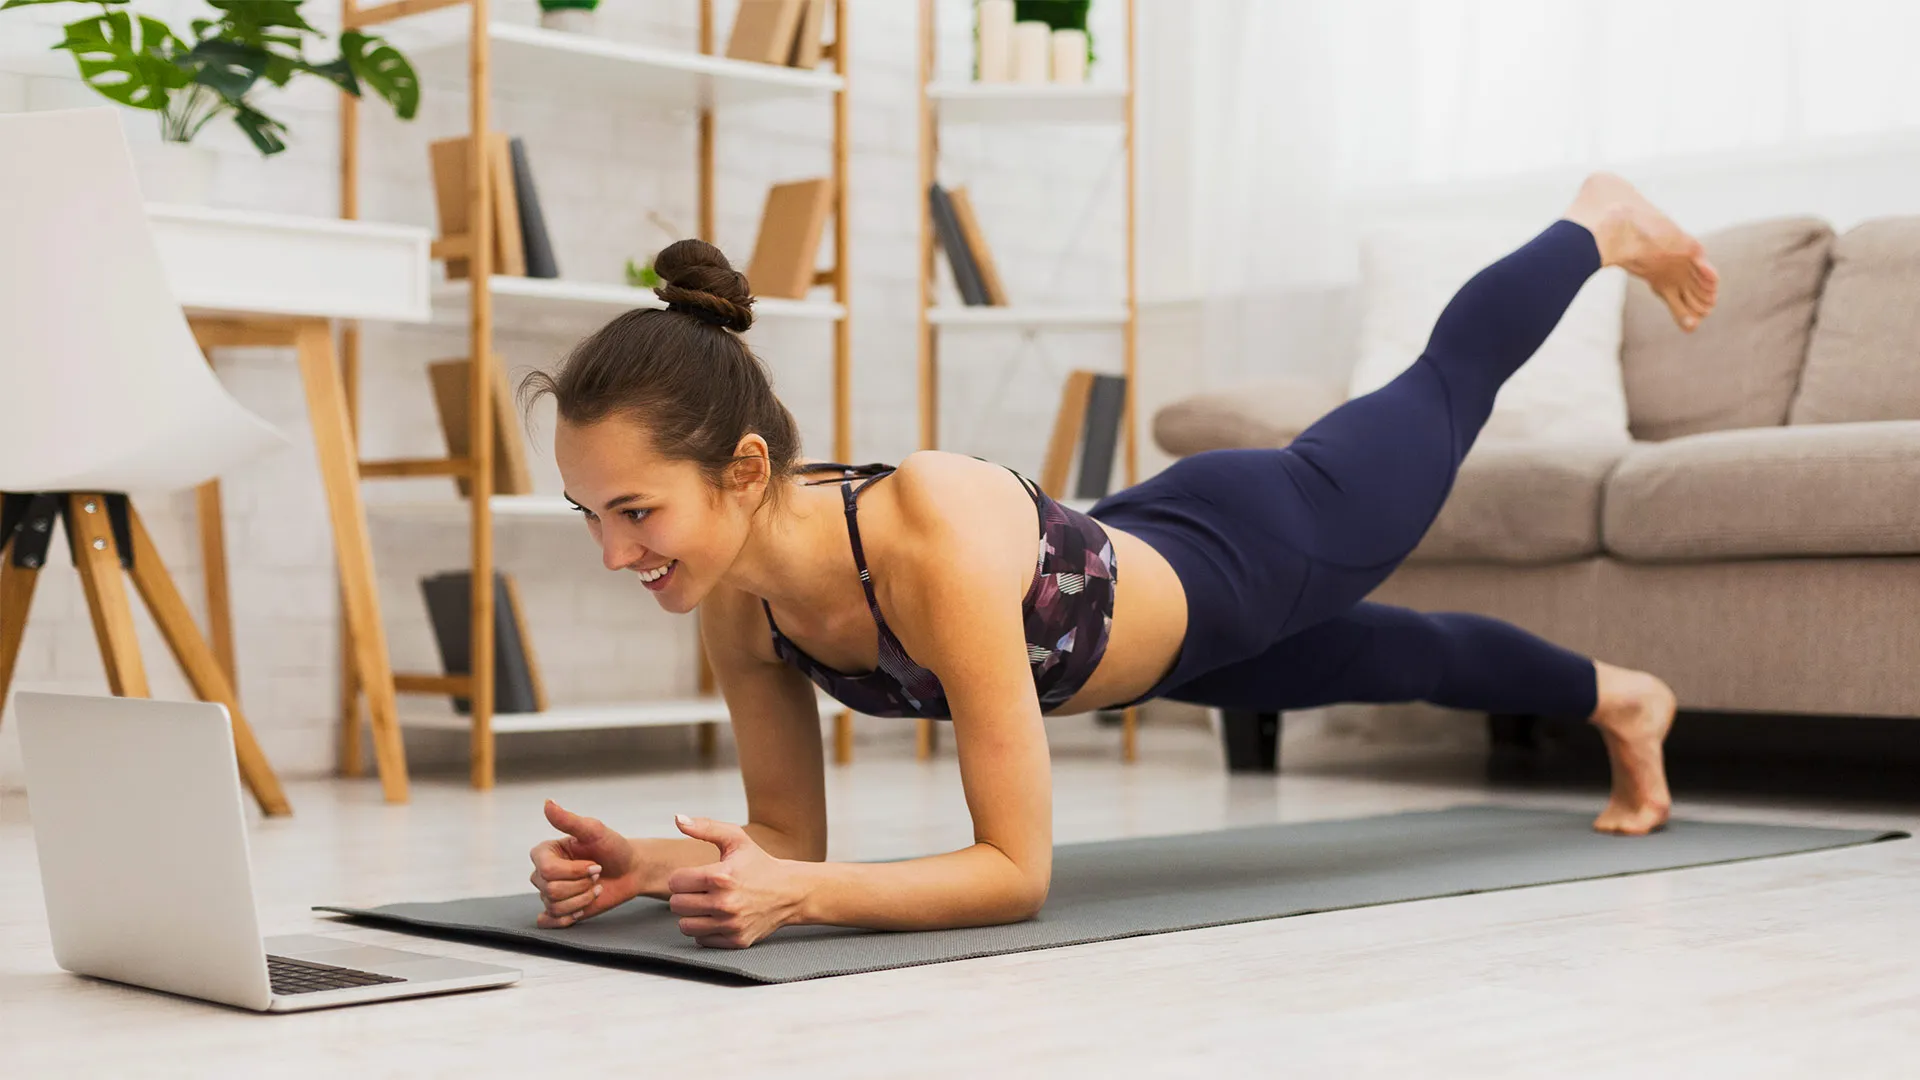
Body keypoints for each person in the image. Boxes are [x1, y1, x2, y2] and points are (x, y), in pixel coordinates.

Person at [524, 172, 1720, 949]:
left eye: (635, 510)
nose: (613, 550)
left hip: (1259, 540)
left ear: (740, 470)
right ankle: (1625, 696)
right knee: (1400, 655)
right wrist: (649, 866)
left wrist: (805, 900)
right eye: (590, 514)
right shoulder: (743, 605)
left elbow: (1014, 872)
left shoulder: (920, 534)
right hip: (1164, 614)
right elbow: (786, 839)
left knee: (1442, 387)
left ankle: (1596, 223)